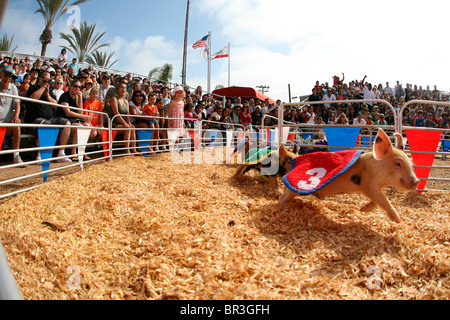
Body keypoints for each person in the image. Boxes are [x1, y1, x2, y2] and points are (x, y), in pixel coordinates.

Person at [25, 70, 72, 163]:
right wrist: (43, 86)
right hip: (36, 120)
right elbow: (33, 99)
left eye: (49, 80)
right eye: (46, 79)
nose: (48, 82)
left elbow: (57, 105)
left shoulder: (49, 92)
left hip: (51, 119)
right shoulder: (33, 88)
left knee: (66, 123)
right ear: (40, 78)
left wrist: (48, 96)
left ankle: (61, 153)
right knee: (46, 124)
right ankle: (41, 154)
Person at [57, 79, 97, 160]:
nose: (77, 88)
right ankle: (73, 152)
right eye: (75, 86)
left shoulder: (77, 98)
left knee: (87, 126)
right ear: (70, 87)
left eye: (79, 87)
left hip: (73, 122)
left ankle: (82, 151)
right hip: (63, 121)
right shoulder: (64, 96)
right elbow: (67, 112)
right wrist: (83, 117)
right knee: (79, 126)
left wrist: (80, 98)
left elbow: (80, 113)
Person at [0, 65, 25, 166]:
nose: (7, 78)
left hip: (7, 122)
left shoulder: (13, 87)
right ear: (1, 75)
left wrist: (16, 116)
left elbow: (17, 103)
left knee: (17, 125)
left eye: (10, 76)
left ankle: (16, 155)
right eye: (6, 75)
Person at [108, 82, 136, 154]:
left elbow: (127, 113)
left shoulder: (126, 101)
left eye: (125, 88)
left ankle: (134, 150)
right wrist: (125, 124)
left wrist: (129, 123)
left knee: (132, 128)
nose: (123, 89)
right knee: (128, 128)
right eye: (121, 87)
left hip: (123, 123)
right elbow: (116, 113)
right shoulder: (114, 99)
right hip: (114, 123)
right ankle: (127, 150)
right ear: (117, 90)